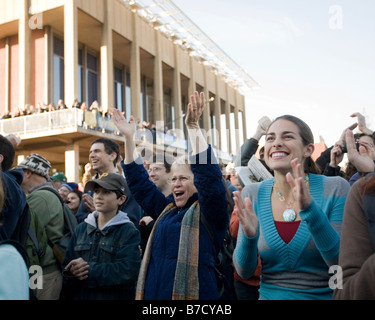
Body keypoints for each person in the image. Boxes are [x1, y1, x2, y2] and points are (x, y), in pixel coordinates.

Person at [113, 91, 229, 300]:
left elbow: (210, 180)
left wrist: (193, 128)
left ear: (197, 181)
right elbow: (139, 184)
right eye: (174, 178)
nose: (176, 183)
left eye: (183, 178)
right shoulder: (166, 209)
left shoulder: (211, 212)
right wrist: (129, 138)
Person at [233, 114, 350, 300]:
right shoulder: (251, 194)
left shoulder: (336, 188)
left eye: (287, 137)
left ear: (308, 149)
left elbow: (340, 265)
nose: (276, 143)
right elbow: (244, 272)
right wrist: (249, 237)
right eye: (270, 138)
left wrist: (311, 211)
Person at [61, 173, 141, 300]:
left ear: (121, 199)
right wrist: (71, 272)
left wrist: (88, 269)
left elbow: (127, 271)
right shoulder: (81, 228)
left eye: (106, 192)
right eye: (97, 191)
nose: (98, 196)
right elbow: (67, 264)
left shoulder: (128, 231)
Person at [14, 153, 64, 300]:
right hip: (43, 269)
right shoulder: (45, 194)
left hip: (43, 272)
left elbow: (19, 227)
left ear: (28, 173)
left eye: (19, 172)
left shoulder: (41, 197)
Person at [333, 130, 375, 299]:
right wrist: (332, 166)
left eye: (370, 145)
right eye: (360, 145)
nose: (364, 149)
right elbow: (342, 288)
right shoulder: (357, 189)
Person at [75, 138, 142, 226]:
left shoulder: (128, 187)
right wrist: (94, 216)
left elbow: (132, 222)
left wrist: (101, 214)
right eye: (90, 152)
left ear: (112, 156)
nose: (91, 155)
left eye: (97, 151)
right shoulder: (90, 188)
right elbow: (79, 218)